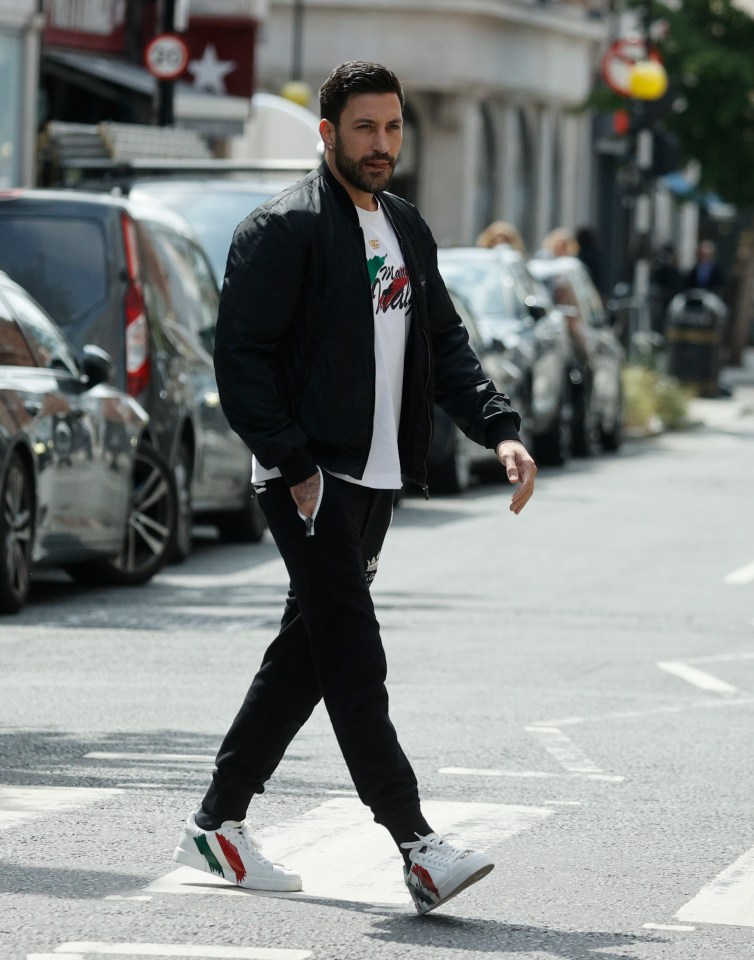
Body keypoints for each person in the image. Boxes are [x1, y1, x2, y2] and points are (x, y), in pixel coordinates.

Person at [173, 60, 537, 916]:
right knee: (353, 651)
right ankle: (417, 844)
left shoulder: (405, 226)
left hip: (376, 475)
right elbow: (243, 364)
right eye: (365, 128)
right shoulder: (282, 229)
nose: (383, 145)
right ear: (328, 133)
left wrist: (502, 430)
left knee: (307, 653)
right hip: (309, 477)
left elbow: (443, 344)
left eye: (394, 127)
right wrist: (294, 466)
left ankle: (216, 821)